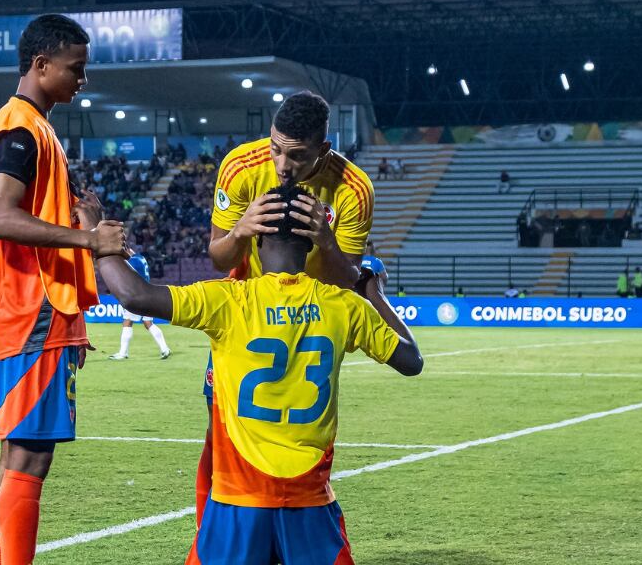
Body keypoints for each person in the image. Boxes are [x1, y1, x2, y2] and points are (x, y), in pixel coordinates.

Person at [85, 184, 422, 565]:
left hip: (238, 501)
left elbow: (134, 295)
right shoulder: (343, 306)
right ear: (312, 243)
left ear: (256, 239)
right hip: (310, 503)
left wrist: (98, 238)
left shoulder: (229, 300)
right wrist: (374, 292)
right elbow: (411, 361)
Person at [0, 14, 126, 565]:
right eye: (76, 68)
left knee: (14, 459)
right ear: (41, 64)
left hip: (18, 312)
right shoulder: (22, 130)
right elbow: (3, 217)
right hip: (34, 313)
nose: (83, 79)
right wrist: (88, 238)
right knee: (28, 461)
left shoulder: (25, 125)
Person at [199, 90, 375, 525]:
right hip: (247, 316)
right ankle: (210, 534)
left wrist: (326, 242)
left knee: (301, 440)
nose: (281, 164)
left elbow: (347, 279)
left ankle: (286, 534)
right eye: (276, 148)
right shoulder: (241, 166)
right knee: (220, 435)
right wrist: (240, 231)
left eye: (296, 155)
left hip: (309, 324)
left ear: (323, 149)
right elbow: (218, 257)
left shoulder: (353, 189)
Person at [108, 249, 171, 360]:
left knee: (127, 322)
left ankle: (123, 353)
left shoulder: (131, 262)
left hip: (137, 295)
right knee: (148, 323)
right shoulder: (141, 258)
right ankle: (165, 348)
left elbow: (125, 277)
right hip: (148, 292)